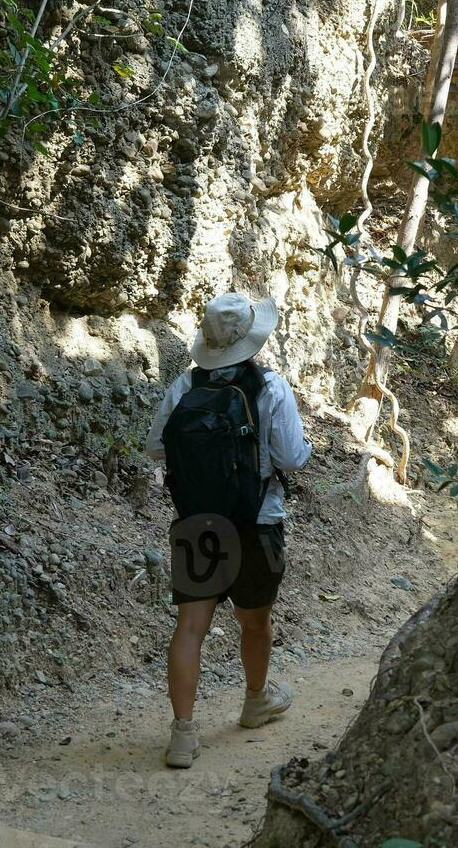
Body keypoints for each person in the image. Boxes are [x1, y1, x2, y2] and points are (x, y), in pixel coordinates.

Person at [145, 292, 312, 769]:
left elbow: (157, 447)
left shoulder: (184, 385)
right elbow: (292, 458)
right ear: (251, 340)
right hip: (258, 521)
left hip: (199, 520)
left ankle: (182, 735)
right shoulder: (271, 388)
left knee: (190, 627)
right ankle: (255, 701)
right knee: (254, 620)